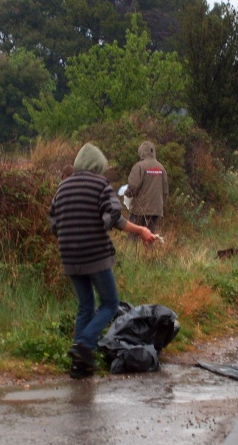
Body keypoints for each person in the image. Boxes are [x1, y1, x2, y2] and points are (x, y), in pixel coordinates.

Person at [49, 143, 157, 378]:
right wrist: (140, 230)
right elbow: (114, 216)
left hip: (69, 255)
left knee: (85, 305)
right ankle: (84, 345)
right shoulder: (100, 185)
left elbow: (54, 224)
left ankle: (79, 366)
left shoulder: (62, 187)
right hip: (95, 255)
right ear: (98, 166)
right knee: (109, 303)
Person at [125, 141, 169, 233]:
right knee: (149, 238)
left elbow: (133, 186)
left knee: (133, 238)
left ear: (141, 152)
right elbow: (165, 191)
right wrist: (160, 205)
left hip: (140, 209)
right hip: (156, 210)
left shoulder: (139, 166)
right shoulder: (161, 168)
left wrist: (127, 193)